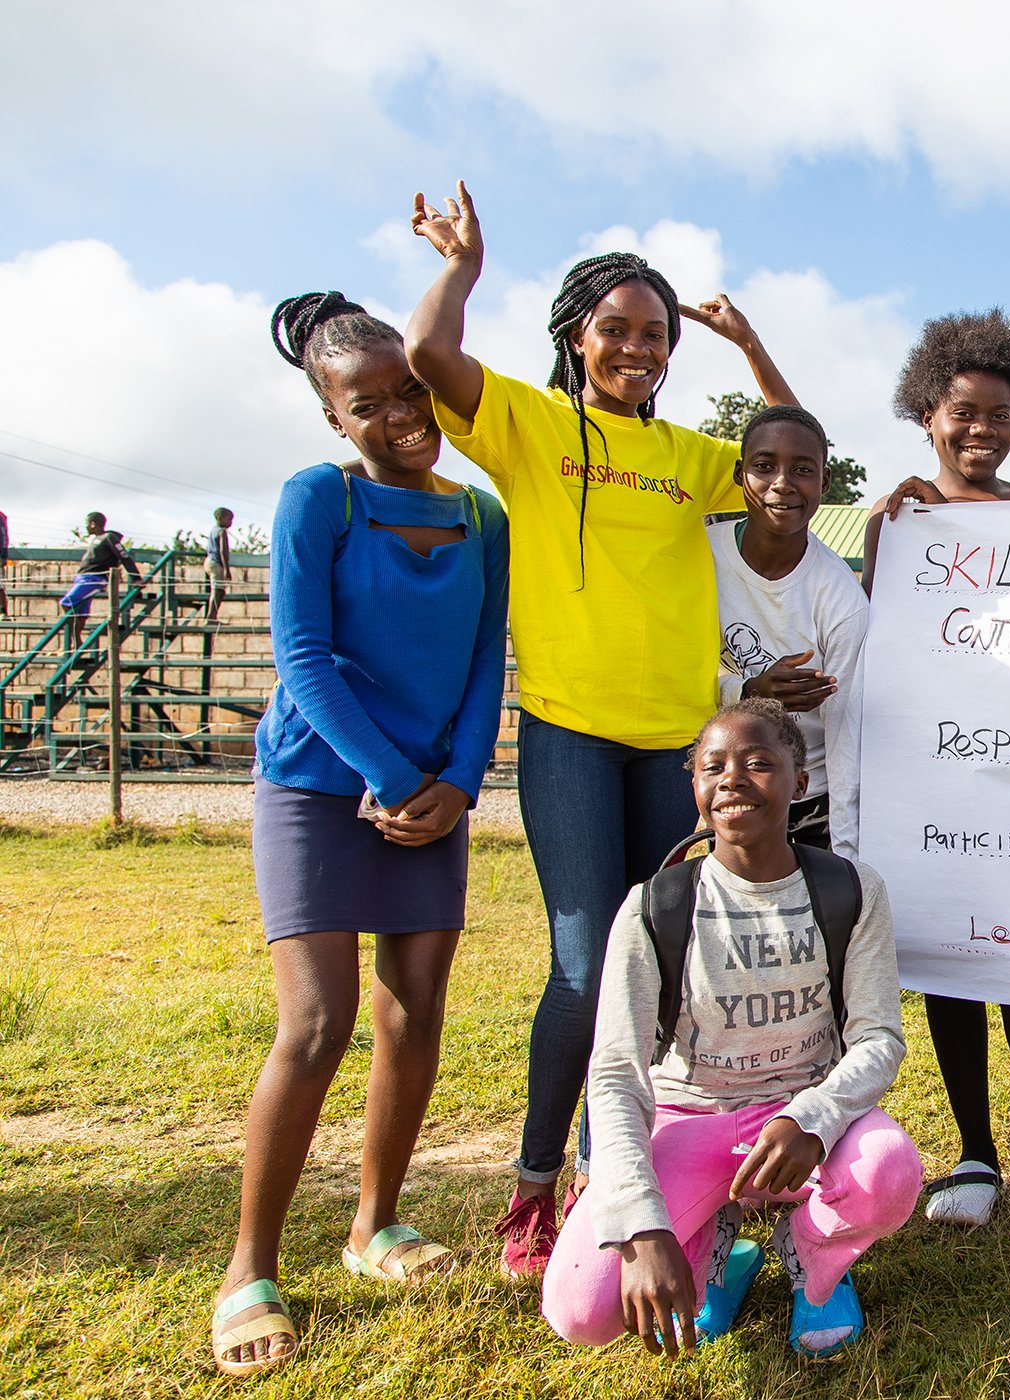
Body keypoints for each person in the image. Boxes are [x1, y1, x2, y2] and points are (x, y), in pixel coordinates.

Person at [404, 180, 802, 1277]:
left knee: (663, 974)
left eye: (655, 335)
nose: (637, 347)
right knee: (586, 968)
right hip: (574, 731)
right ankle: (537, 1185)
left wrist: (750, 342)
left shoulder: (685, 453)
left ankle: (606, 1175)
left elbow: (787, 450)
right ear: (576, 336)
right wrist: (462, 269)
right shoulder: (530, 428)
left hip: (677, 742)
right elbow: (430, 356)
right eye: (617, 329)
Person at [211, 292, 509, 1379]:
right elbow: (303, 654)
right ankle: (249, 1264)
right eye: (367, 403)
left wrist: (461, 782)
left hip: (435, 791)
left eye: (408, 389)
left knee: (416, 1005)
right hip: (319, 784)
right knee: (318, 1019)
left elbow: (487, 661)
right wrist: (387, 775)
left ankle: (374, 1222)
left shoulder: (483, 517)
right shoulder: (317, 500)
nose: (399, 414)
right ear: (333, 418)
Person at [539, 699, 921, 1361]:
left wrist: (812, 1118)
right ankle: (711, 1244)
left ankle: (814, 1258)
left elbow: (879, 1038)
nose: (733, 778)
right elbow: (615, 1074)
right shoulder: (654, 906)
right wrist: (641, 1227)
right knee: (581, 1310)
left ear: (800, 782)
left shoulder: (851, 890)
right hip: (690, 1119)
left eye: (760, 763)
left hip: (797, 1124)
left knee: (887, 1171)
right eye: (712, 766)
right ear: (693, 786)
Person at [863, 309, 1010, 1229]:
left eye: (999, 414)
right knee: (952, 954)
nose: (982, 431)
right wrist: (887, 533)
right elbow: (882, 632)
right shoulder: (900, 519)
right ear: (927, 414)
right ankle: (974, 1151)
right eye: (963, 413)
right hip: (938, 771)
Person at [709, 404, 866, 858]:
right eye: (764, 466)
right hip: (724, 786)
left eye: (802, 469)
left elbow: (845, 730)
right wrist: (749, 692)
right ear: (740, 475)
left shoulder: (840, 598)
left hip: (808, 793)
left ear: (825, 481)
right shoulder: (702, 559)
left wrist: (846, 851)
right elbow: (674, 670)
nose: (782, 483)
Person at [59, 518, 141, 648]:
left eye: (87, 523)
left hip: (93, 578)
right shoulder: (96, 539)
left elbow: (123, 556)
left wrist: (136, 577)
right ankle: (76, 643)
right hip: (83, 577)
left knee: (67, 602)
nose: (86, 527)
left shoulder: (108, 537)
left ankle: (75, 639)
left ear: (93, 523)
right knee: (80, 611)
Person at [206, 506, 235, 623]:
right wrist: (226, 569)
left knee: (220, 590)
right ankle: (211, 617)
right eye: (229, 519)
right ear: (221, 518)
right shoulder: (222, 532)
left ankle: (212, 616)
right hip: (216, 562)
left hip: (209, 560)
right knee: (217, 590)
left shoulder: (213, 530)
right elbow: (223, 551)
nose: (231, 523)